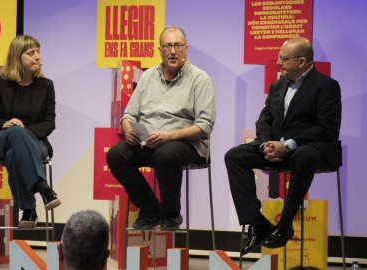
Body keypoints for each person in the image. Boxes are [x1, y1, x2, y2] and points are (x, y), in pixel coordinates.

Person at [225, 37, 342, 255]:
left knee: (303, 155)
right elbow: (264, 120)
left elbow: (327, 127)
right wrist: (265, 145)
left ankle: (286, 223)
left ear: (302, 61)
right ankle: (257, 222)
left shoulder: (327, 86)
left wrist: (288, 145)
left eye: (284, 58)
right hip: (279, 148)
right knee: (234, 155)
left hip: (313, 146)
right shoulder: (277, 85)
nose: (278, 62)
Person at [106, 26, 216, 231]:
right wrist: (129, 129)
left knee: (166, 154)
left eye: (177, 46)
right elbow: (128, 115)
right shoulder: (147, 77)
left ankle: (171, 213)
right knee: (116, 154)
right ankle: (149, 209)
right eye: (168, 46)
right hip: (148, 142)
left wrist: (169, 136)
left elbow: (205, 126)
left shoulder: (200, 79)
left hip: (186, 144)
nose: (172, 51)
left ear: (186, 49)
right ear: (160, 50)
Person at [0, 35, 60, 228]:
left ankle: (28, 209)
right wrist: (6, 124)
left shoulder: (46, 86)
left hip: (35, 142)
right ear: (17, 57)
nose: (37, 57)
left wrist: (24, 130)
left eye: (38, 52)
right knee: (15, 133)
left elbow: (49, 123)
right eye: (31, 53)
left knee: (14, 153)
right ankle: (43, 188)